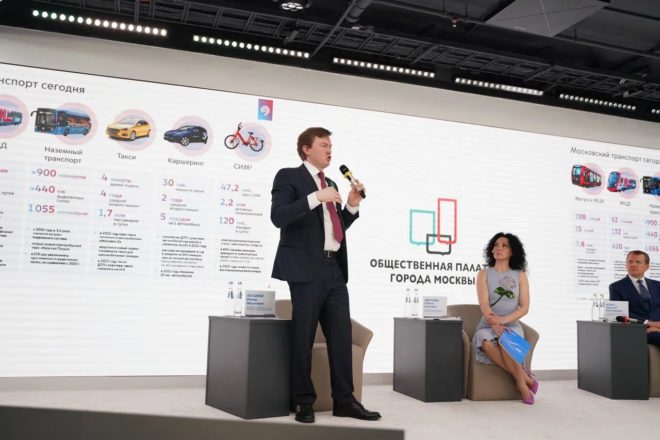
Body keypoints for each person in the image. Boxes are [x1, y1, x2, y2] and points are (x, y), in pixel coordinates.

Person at [270, 127, 381, 423]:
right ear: (306, 149)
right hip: (305, 268)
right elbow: (278, 217)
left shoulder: (331, 182)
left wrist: (352, 205)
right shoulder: (288, 176)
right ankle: (303, 401)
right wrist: (315, 197)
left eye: (331, 145)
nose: (329, 150)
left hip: (334, 269)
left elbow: (334, 227)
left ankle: (344, 401)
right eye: (323, 145)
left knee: (341, 338)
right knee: (303, 338)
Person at [472, 232, 538, 404]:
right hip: (487, 324)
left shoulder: (520, 275)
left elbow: (524, 307)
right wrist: (493, 323)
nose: (498, 248)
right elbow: (484, 304)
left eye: (504, 245)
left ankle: (521, 383)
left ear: (512, 251)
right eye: (496, 245)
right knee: (485, 342)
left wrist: (502, 322)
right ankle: (524, 380)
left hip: (511, 324)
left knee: (506, 342)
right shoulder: (483, 274)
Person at [609, 250, 660, 347]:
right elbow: (620, 314)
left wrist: (658, 328)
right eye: (630, 261)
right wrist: (647, 324)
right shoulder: (616, 287)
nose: (633, 265)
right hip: (638, 329)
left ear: (647, 266)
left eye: (638, 262)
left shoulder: (658, 285)